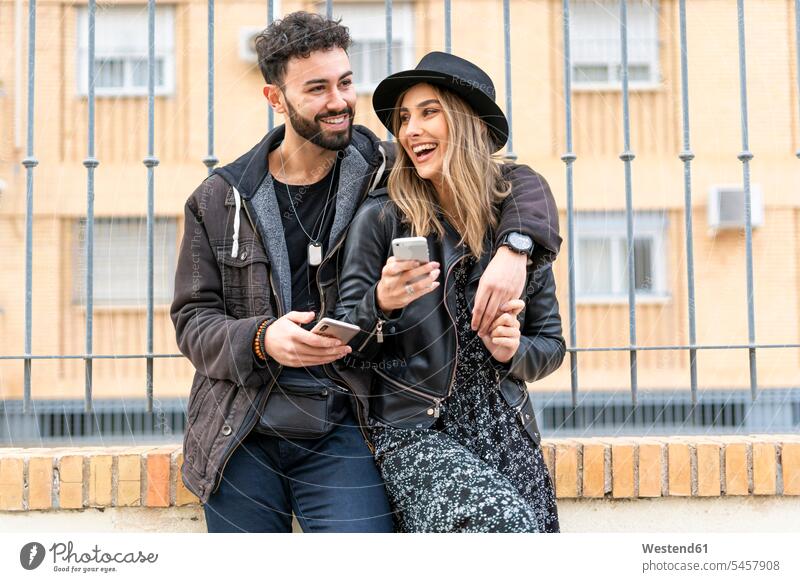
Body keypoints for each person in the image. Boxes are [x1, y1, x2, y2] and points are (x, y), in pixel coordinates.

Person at [170, 12, 559, 533]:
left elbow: (504, 175)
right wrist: (263, 340)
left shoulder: (384, 168)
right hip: (241, 424)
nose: (338, 100)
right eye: (317, 88)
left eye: (346, 82)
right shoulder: (220, 198)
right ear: (275, 98)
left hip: (341, 418)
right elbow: (193, 320)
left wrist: (515, 249)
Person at [335, 51, 565, 532]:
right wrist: (382, 304)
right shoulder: (380, 219)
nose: (410, 130)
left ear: (466, 123)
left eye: (428, 112)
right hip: (414, 428)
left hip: (503, 425)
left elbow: (551, 346)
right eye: (404, 118)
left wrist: (513, 350)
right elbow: (343, 347)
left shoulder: (518, 229)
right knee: (503, 528)